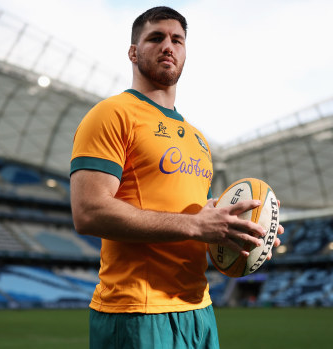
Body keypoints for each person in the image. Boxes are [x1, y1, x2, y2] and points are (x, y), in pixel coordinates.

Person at [70, 6, 283, 348]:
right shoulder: (111, 114)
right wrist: (197, 225)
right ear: (133, 52)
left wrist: (243, 230)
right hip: (137, 313)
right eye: (156, 37)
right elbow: (89, 212)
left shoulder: (198, 140)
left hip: (199, 310)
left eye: (177, 40)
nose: (168, 45)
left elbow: (198, 220)